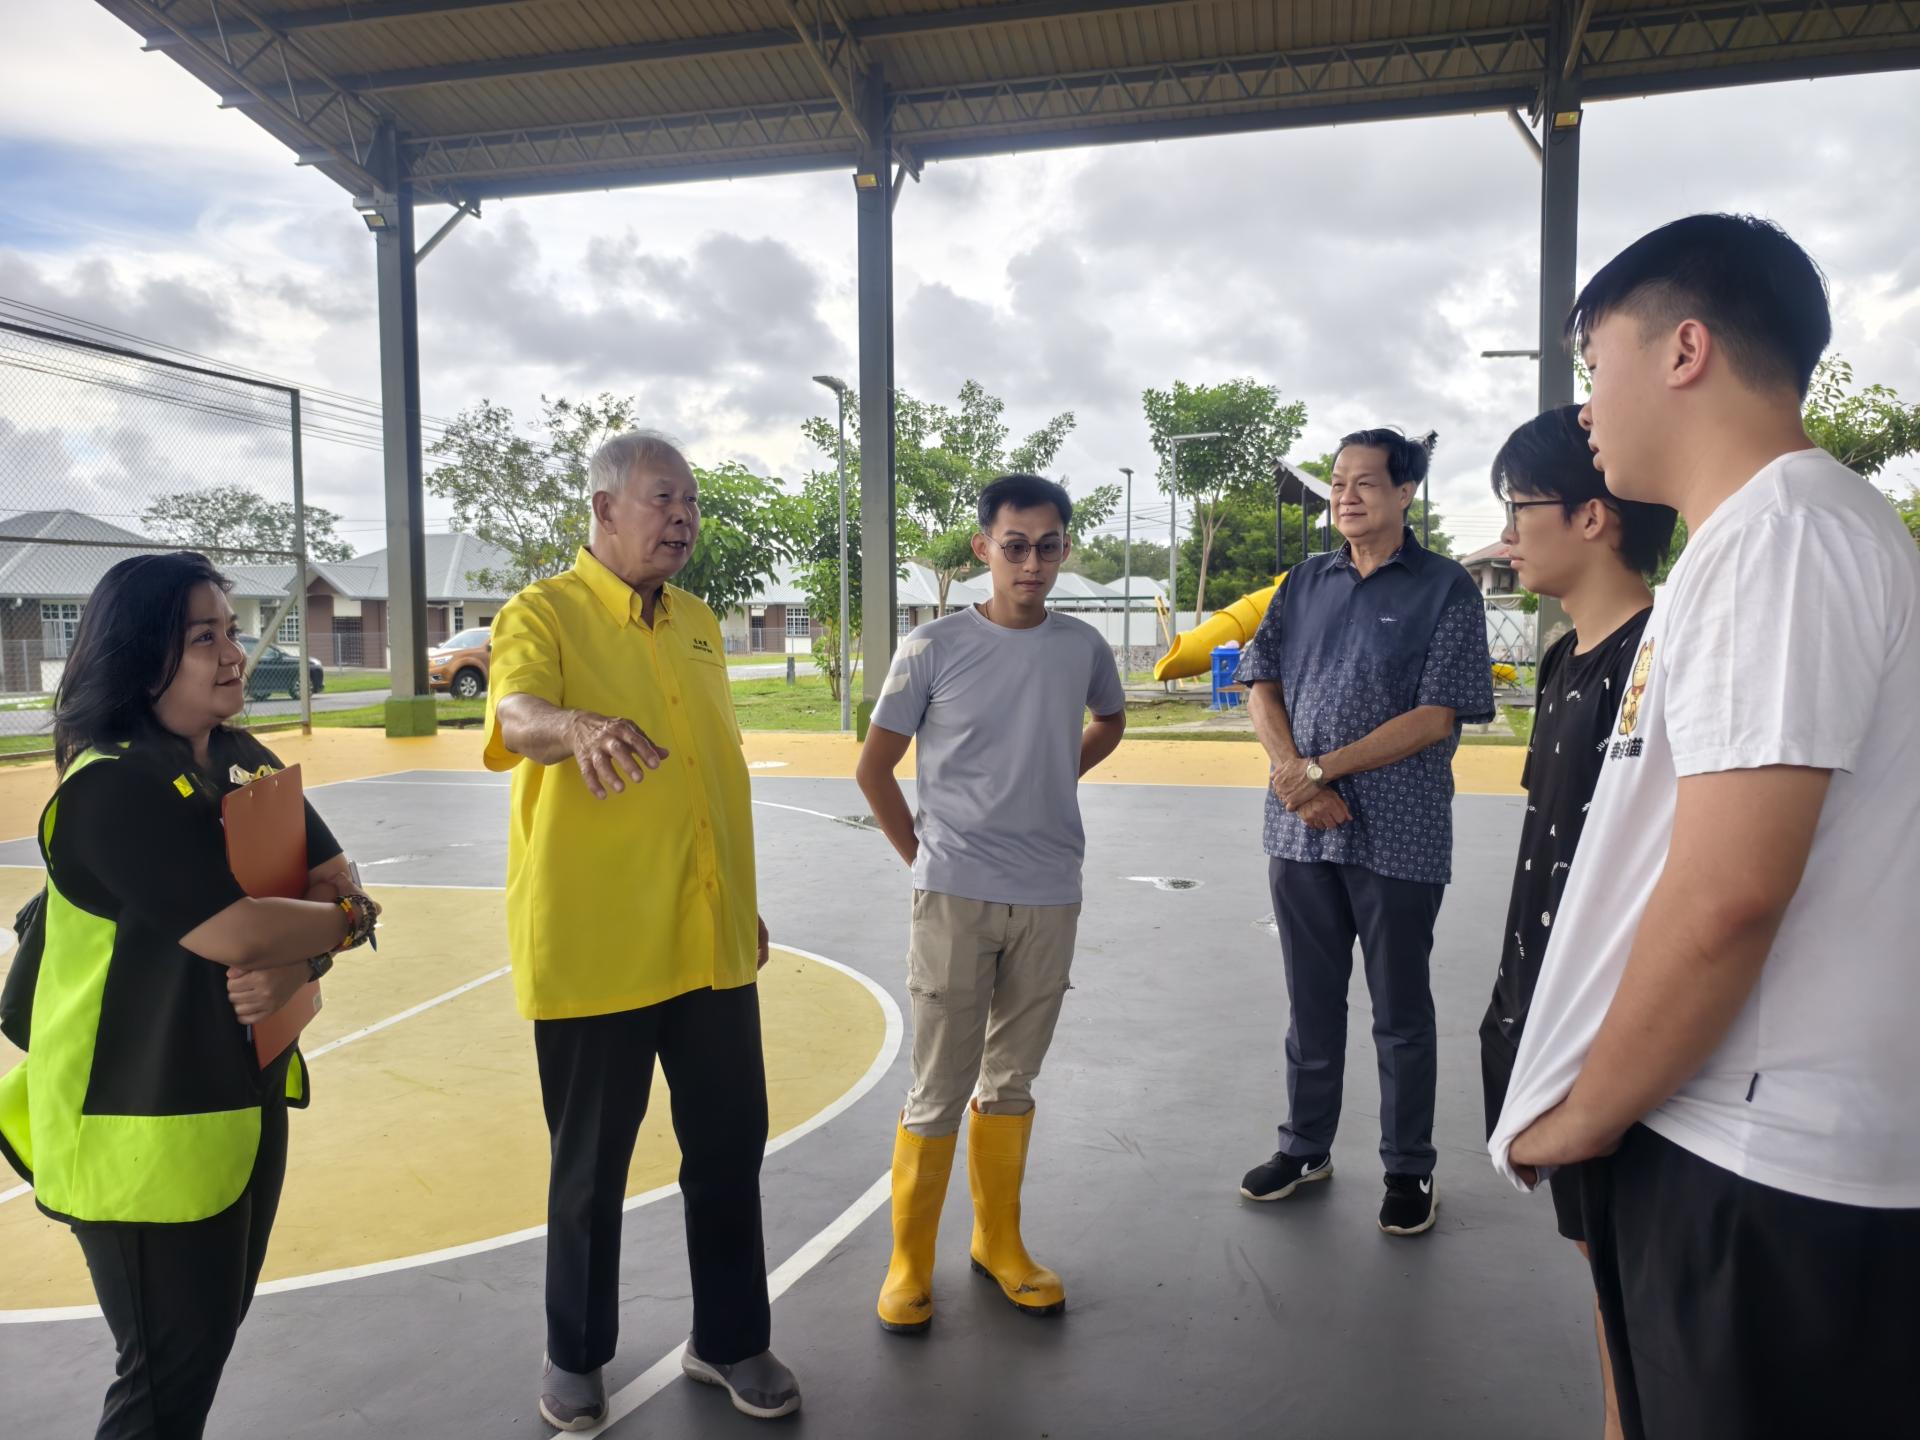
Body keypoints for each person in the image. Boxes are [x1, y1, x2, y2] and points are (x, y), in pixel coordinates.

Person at [1489, 214, 1920, 1439]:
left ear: (1684, 350)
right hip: (1744, 1146)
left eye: (1592, 367)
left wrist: (1583, 1113)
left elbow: (1729, 892)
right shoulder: (1776, 536)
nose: (1585, 411)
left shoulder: (1781, 539)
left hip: (1757, 1163)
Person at [0, 552, 379, 1440]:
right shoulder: (109, 790)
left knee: (200, 1352)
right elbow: (245, 930)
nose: (233, 652)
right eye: (203, 636)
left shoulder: (243, 761)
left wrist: (308, 959)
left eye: (232, 631)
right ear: (140, 655)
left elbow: (332, 879)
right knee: (166, 1383)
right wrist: (339, 928)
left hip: (235, 1105)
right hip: (135, 1131)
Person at [484, 431, 798, 1430]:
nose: (684, 518)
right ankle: (575, 1355)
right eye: (664, 499)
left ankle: (731, 1340)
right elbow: (517, 711)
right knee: (589, 1169)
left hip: (704, 942)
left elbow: (709, 773)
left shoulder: (700, 622)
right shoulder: (544, 612)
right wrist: (573, 728)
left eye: (691, 502)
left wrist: (734, 899)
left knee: (728, 1148)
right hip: (595, 946)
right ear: (603, 510)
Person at [857, 473, 1126, 1334]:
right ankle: (908, 1263)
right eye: (1016, 546)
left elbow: (1109, 721)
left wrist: (1053, 775)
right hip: (954, 893)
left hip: (1050, 893)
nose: (1033, 563)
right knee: (938, 1084)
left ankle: (998, 1243)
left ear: (1065, 552)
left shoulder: (1081, 646)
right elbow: (875, 768)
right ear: (984, 549)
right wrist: (925, 859)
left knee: (1011, 1078)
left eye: (1050, 547)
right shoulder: (931, 648)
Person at [1236, 429, 1494, 1236]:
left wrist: (1321, 771)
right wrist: (1294, 775)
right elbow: (1259, 680)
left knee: (1400, 1010)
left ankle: (1409, 1169)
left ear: (1406, 491)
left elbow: (1436, 714)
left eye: (1366, 483)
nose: (1346, 496)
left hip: (1400, 834)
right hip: (1300, 835)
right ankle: (1306, 1146)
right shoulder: (1303, 582)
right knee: (1310, 1005)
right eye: (1339, 483)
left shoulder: (1448, 588)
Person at [1478, 406, 1676, 1439]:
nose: (1508, 537)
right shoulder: (1564, 663)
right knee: (1604, 1272)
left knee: (1637, 1282)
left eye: (1521, 510)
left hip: (1610, 1037)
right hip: (1544, 1015)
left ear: (1593, 516)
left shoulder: (1658, 664)